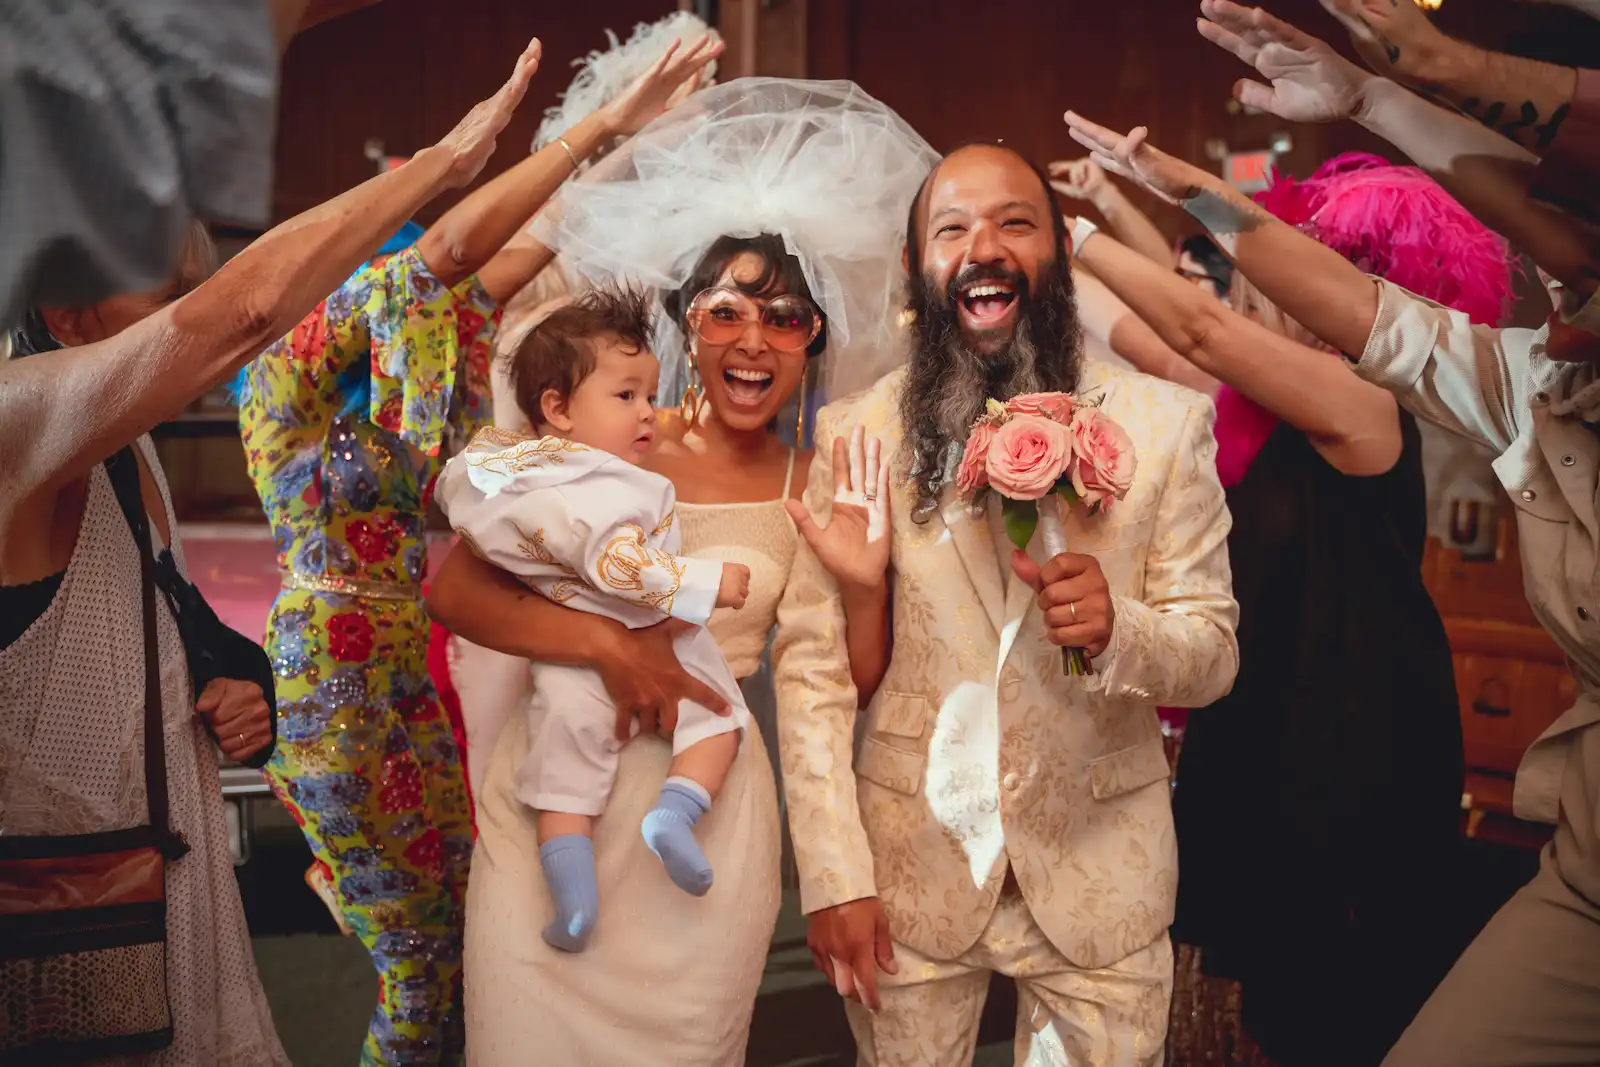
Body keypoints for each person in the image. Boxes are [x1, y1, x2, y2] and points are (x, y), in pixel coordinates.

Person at [0, 36, 540, 1066]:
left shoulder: (132, 459)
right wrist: (446, 158)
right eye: (162, 304)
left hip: (154, 855)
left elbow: (173, 620)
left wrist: (232, 679)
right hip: (64, 891)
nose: (182, 327)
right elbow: (244, 311)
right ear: (68, 317)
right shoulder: (20, 425)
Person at [1064, 89, 1600, 1067]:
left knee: (1324, 1007)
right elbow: (1156, 334)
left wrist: (1072, 231)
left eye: (1322, 261)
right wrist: (1067, 233)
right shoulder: (1268, 404)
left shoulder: (1359, 401)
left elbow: (1199, 328)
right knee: (1254, 1001)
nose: (1280, 275)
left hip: (1353, 737)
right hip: (1271, 713)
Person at [422, 78, 934, 1065]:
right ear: (686, 322)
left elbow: (840, 683)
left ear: (813, 337)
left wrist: (866, 586)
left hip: (706, 821)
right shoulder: (600, 435)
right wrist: (610, 645)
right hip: (550, 806)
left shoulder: (819, 475)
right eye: (729, 311)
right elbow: (454, 590)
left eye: (786, 319)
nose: (754, 339)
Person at [234, 34, 718, 1064]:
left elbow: (528, 239)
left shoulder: (417, 341)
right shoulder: (286, 366)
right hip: (327, 678)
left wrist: (634, 144)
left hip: (408, 663)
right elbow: (451, 252)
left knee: (462, 927)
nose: (423, 273)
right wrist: (595, 124)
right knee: (416, 954)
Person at [772, 141, 1239, 1065]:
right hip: (911, 874)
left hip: (1103, 872)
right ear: (918, 266)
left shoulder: (1165, 426)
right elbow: (813, 671)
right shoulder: (856, 432)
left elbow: (1214, 651)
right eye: (953, 229)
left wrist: (1122, 629)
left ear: (1060, 250)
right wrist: (831, 876)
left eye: (1015, 224)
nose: (984, 247)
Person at [435, 286, 756, 952]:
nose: (647, 412)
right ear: (558, 408)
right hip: (633, 642)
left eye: (650, 394)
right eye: (626, 396)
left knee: (564, 786)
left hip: (563, 674)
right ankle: (676, 811)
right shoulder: (602, 484)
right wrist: (706, 582)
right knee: (722, 716)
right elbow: (622, 567)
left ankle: (573, 903)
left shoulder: (527, 479)